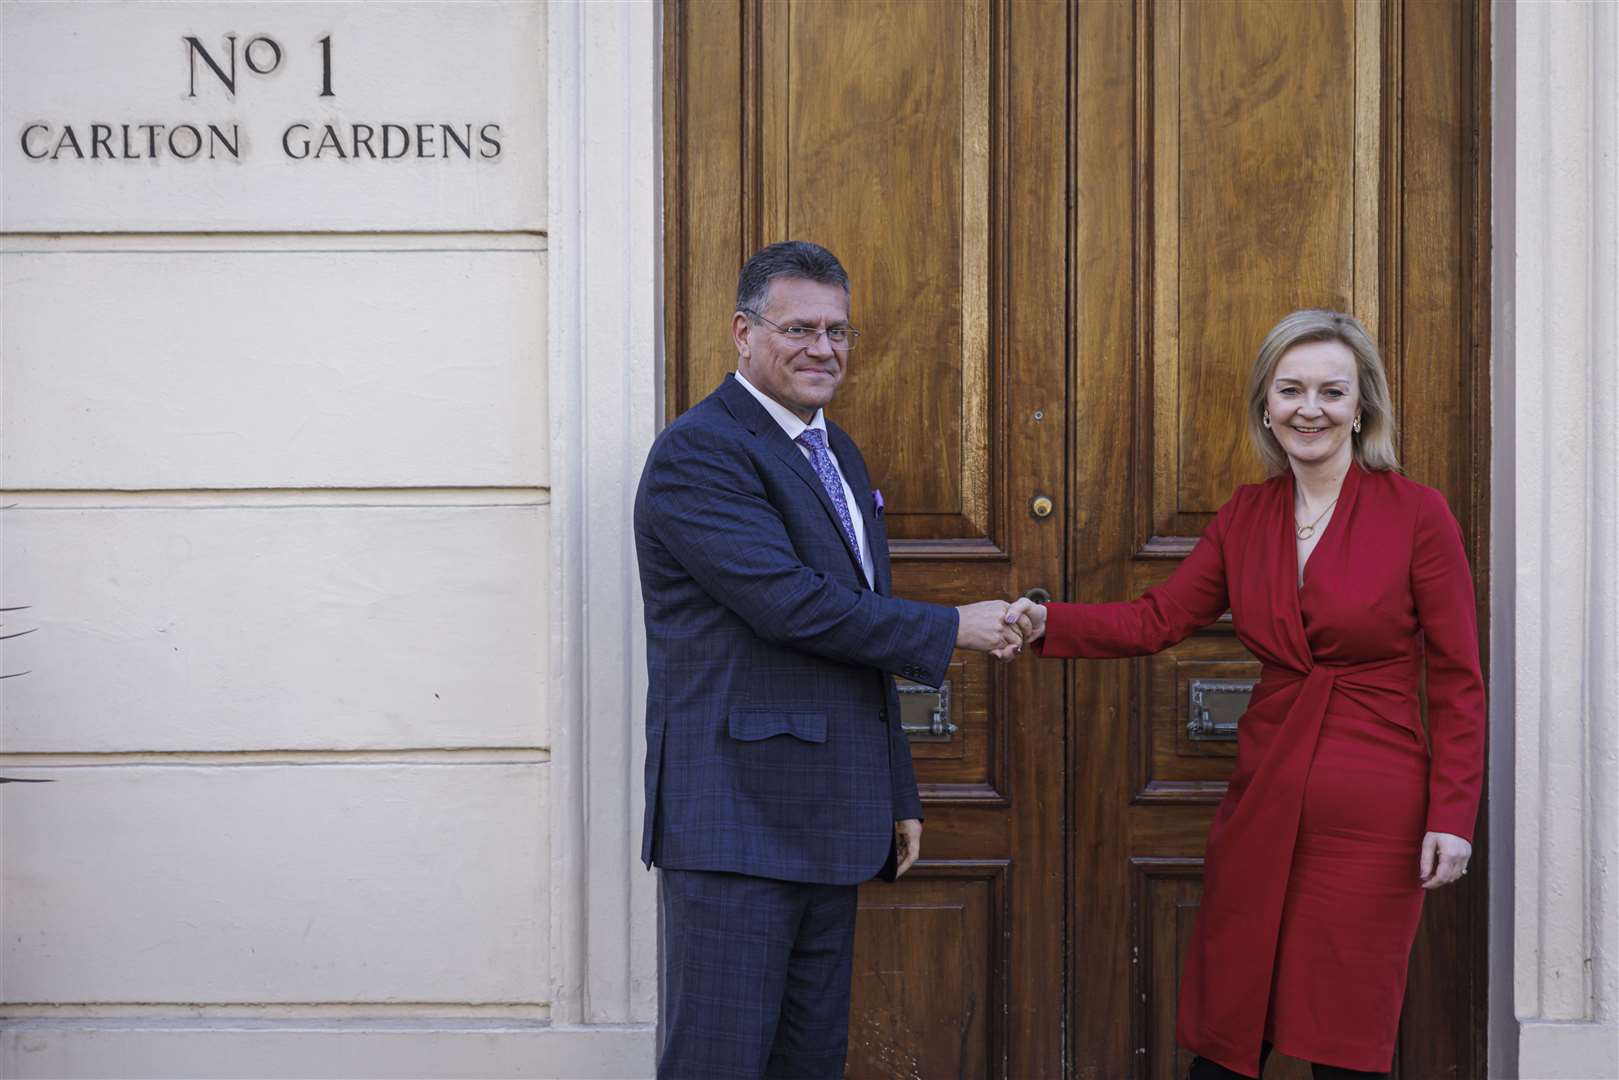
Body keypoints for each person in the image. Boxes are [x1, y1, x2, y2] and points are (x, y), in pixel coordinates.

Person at [1006, 310, 1484, 1079]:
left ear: (1362, 406)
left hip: (1374, 808)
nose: (1310, 408)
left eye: (1332, 391)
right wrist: (1040, 622)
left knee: (1344, 1023)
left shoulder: (1415, 513)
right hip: (1264, 794)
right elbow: (1156, 618)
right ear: (1265, 404)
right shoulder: (1244, 516)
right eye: (1290, 389)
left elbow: (1459, 676)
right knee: (1233, 1013)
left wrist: (1452, 817)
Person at [634, 240, 1027, 1080]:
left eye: (839, 332)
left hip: (830, 817)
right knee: (719, 1061)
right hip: (734, 821)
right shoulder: (699, 453)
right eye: (799, 329)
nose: (823, 349)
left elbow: (851, 650)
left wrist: (893, 789)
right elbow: (791, 605)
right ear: (743, 333)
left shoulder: (834, 450)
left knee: (807, 1061)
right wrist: (950, 626)